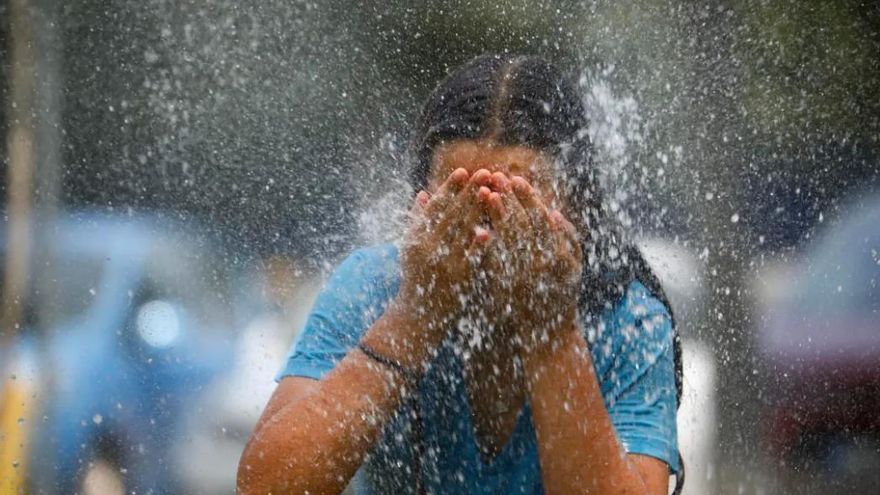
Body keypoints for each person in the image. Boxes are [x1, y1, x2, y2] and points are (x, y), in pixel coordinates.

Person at [237, 54, 683, 495]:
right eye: (460, 200)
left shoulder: (626, 323)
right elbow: (266, 486)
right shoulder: (376, 289)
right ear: (420, 205)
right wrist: (416, 313)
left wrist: (551, 331)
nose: (486, 234)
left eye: (517, 206)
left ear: (576, 211)